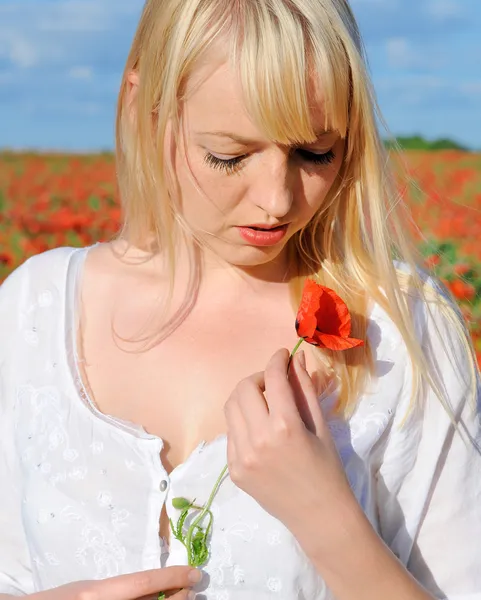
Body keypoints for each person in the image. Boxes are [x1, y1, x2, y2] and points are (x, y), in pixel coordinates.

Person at [0, 0, 480, 599]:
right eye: (229, 156)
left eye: (315, 153)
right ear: (145, 107)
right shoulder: (32, 310)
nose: (277, 200)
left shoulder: (404, 331)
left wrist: (326, 518)